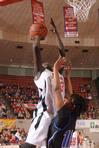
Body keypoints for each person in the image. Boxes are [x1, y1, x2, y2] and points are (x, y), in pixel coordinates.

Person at [20, 24, 66, 148]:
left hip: (56, 118)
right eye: (43, 63)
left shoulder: (57, 73)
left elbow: (63, 53)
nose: (45, 62)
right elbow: (35, 47)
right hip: (44, 116)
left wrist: (56, 33)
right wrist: (38, 35)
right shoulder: (40, 73)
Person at [46, 57, 88, 148]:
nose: (66, 98)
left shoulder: (64, 115)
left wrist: (55, 68)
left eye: (69, 99)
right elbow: (71, 94)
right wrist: (68, 77)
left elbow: (57, 89)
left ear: (72, 106)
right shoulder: (73, 115)